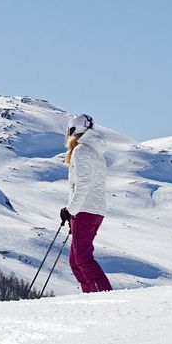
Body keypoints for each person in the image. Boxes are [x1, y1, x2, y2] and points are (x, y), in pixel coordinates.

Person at [60, 114, 113, 293]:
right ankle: (90, 295)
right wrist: (72, 212)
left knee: (82, 258)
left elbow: (82, 184)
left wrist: (71, 210)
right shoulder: (96, 152)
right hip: (93, 210)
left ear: (74, 131)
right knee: (75, 260)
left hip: (84, 210)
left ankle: (104, 295)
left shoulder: (81, 151)